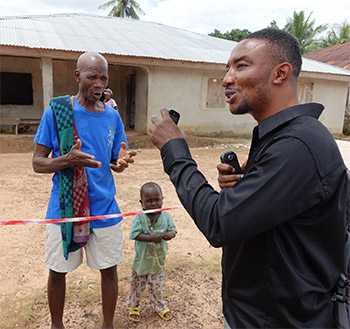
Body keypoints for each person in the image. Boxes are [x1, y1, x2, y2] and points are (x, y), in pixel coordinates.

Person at [150, 28, 348, 328]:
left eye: (241, 66)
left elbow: (219, 223)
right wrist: (249, 186)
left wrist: (175, 151)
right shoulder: (283, 138)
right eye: (227, 68)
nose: (227, 78)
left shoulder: (297, 146)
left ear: (280, 73)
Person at [32, 52, 136, 329]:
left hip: (104, 207)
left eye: (103, 77)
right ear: (77, 76)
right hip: (65, 206)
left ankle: (108, 325)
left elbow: (117, 155)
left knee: (109, 271)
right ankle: (57, 325)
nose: (99, 83)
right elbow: (37, 162)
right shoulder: (57, 111)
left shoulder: (113, 116)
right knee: (57, 271)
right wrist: (66, 161)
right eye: (92, 76)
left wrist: (121, 161)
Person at [128, 182, 176, 322]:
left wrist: (169, 235)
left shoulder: (166, 217)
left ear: (162, 199)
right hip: (141, 263)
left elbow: (173, 230)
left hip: (157, 262)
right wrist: (151, 238)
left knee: (157, 287)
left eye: (157, 200)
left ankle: (159, 306)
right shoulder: (139, 218)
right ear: (142, 203)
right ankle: (134, 307)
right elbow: (134, 234)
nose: (154, 203)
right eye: (149, 201)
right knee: (137, 287)